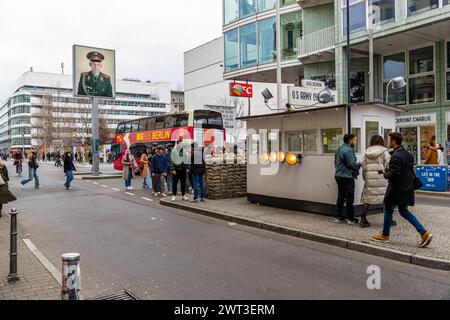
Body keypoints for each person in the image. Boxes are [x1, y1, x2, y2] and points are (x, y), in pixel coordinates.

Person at [371, 133, 433, 247]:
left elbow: (395, 174)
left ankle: (385, 235)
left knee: (388, 209)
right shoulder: (408, 154)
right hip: (407, 188)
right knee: (404, 211)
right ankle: (424, 233)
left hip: (396, 189)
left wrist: (385, 174)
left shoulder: (396, 156)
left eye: (389, 140)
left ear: (394, 141)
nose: (388, 141)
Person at [360, 135, 391, 228]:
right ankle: (388, 220)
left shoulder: (367, 152)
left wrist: (365, 177)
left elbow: (363, 166)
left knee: (367, 199)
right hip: (382, 178)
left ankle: (363, 219)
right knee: (386, 199)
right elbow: (388, 165)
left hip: (370, 179)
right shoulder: (385, 152)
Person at [334, 134, 362, 225]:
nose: (354, 142)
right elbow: (352, 164)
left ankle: (339, 217)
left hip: (338, 175)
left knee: (341, 196)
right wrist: (359, 164)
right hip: (347, 176)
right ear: (350, 140)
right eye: (353, 140)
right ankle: (350, 218)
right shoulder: (349, 150)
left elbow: (335, 162)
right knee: (350, 197)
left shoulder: (339, 149)